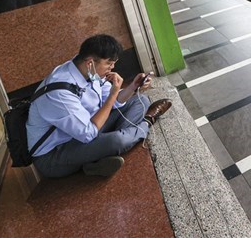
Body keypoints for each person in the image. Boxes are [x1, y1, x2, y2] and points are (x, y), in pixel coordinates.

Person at [26, 34, 171, 178]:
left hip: (85, 129)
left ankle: (99, 157)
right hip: (54, 155)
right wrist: (113, 95)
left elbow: (113, 101)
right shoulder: (59, 92)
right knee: (118, 140)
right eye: (109, 63)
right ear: (90, 62)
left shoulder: (87, 70)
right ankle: (147, 121)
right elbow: (88, 133)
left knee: (141, 100)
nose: (112, 67)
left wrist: (133, 86)